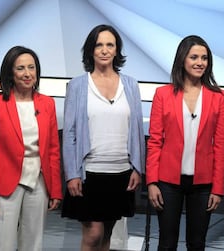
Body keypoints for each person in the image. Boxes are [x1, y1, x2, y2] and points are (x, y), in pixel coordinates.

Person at [61, 24, 145, 251]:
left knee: (107, 234)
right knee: (93, 234)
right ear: (90, 50)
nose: (105, 50)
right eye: (99, 45)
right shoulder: (78, 85)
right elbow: (69, 132)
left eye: (110, 44)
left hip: (120, 172)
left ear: (117, 50)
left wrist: (137, 167)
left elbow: (136, 129)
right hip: (89, 174)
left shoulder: (131, 85)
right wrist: (72, 174)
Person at [146, 35, 224, 251]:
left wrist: (218, 188)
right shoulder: (162, 94)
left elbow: (221, 145)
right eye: (194, 57)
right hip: (167, 181)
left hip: (203, 184)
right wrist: (152, 182)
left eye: (204, 58)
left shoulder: (218, 97)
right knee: (166, 243)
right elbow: (154, 141)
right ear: (182, 59)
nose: (200, 62)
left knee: (197, 243)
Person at [0, 46, 63, 251]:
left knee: (33, 245)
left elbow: (52, 150)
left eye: (31, 68)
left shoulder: (47, 104)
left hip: (39, 183)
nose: (27, 74)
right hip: (4, 185)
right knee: (0, 245)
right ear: (10, 73)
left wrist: (56, 191)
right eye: (21, 68)